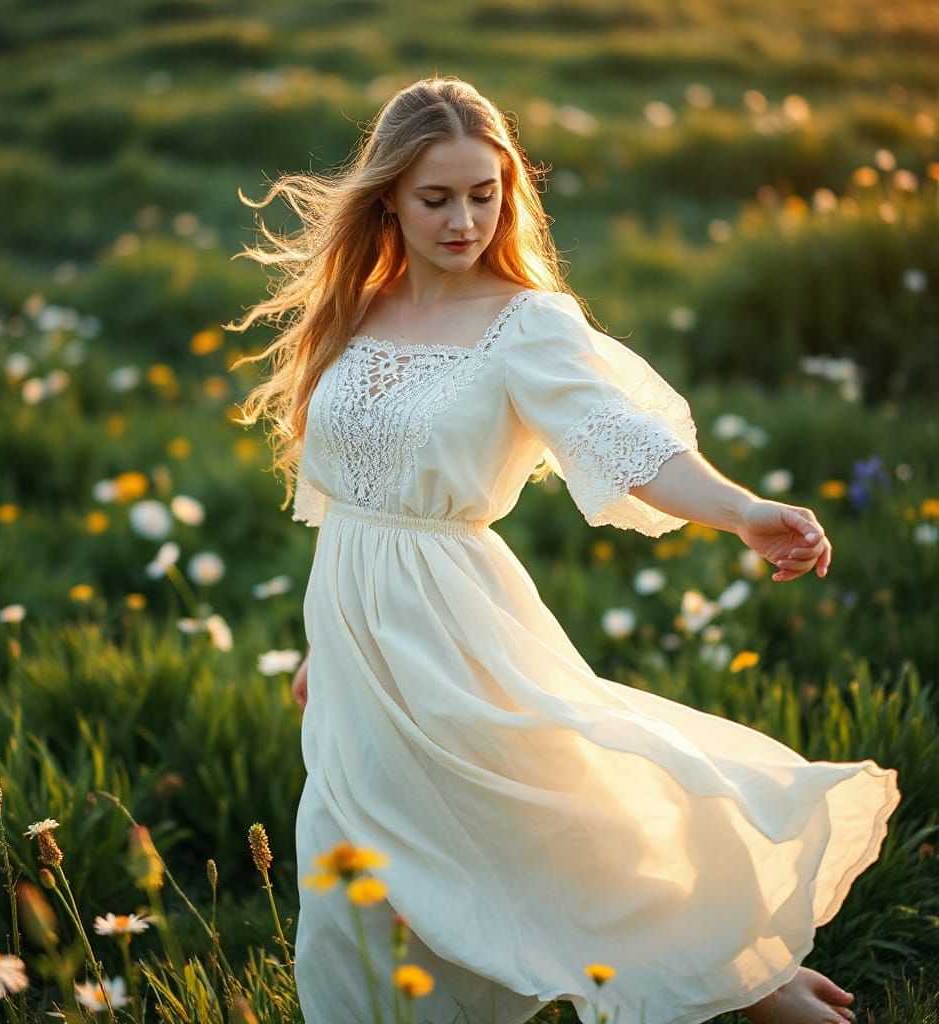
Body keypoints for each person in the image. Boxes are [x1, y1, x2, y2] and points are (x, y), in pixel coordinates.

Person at [228, 75, 900, 1024]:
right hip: (357, 636)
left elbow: (623, 442)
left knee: (544, 818)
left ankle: (746, 981)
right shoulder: (358, 309)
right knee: (354, 861)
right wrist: (325, 641)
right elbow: (351, 498)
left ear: (509, 192)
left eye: (483, 193)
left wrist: (741, 509)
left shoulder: (524, 324)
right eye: (436, 198)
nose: (464, 219)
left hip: (451, 621)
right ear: (387, 197)